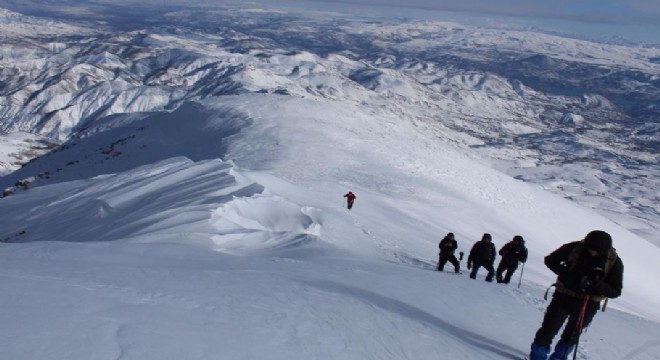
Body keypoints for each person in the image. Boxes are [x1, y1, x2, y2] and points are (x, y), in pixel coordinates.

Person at [528, 230, 623, 360]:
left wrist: (596, 284)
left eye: (595, 250)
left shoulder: (614, 262)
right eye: (589, 248)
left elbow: (615, 291)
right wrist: (567, 275)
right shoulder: (575, 248)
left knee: (571, 336)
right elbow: (550, 260)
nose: (591, 252)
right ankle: (537, 357)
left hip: (588, 303)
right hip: (564, 296)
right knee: (547, 330)